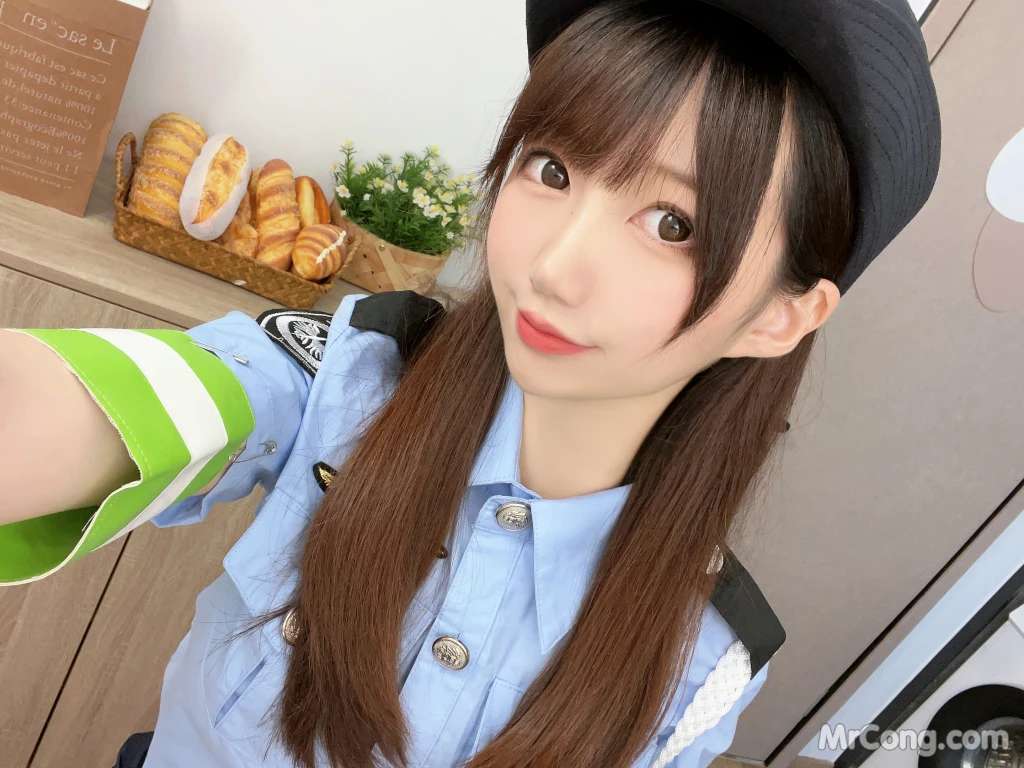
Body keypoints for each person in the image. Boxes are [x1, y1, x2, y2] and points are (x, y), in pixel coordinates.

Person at [0, 0, 941, 766]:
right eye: (551, 169)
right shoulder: (348, 383)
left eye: (672, 226)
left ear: (779, 318)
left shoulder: (705, 660)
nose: (553, 266)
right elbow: (141, 396)